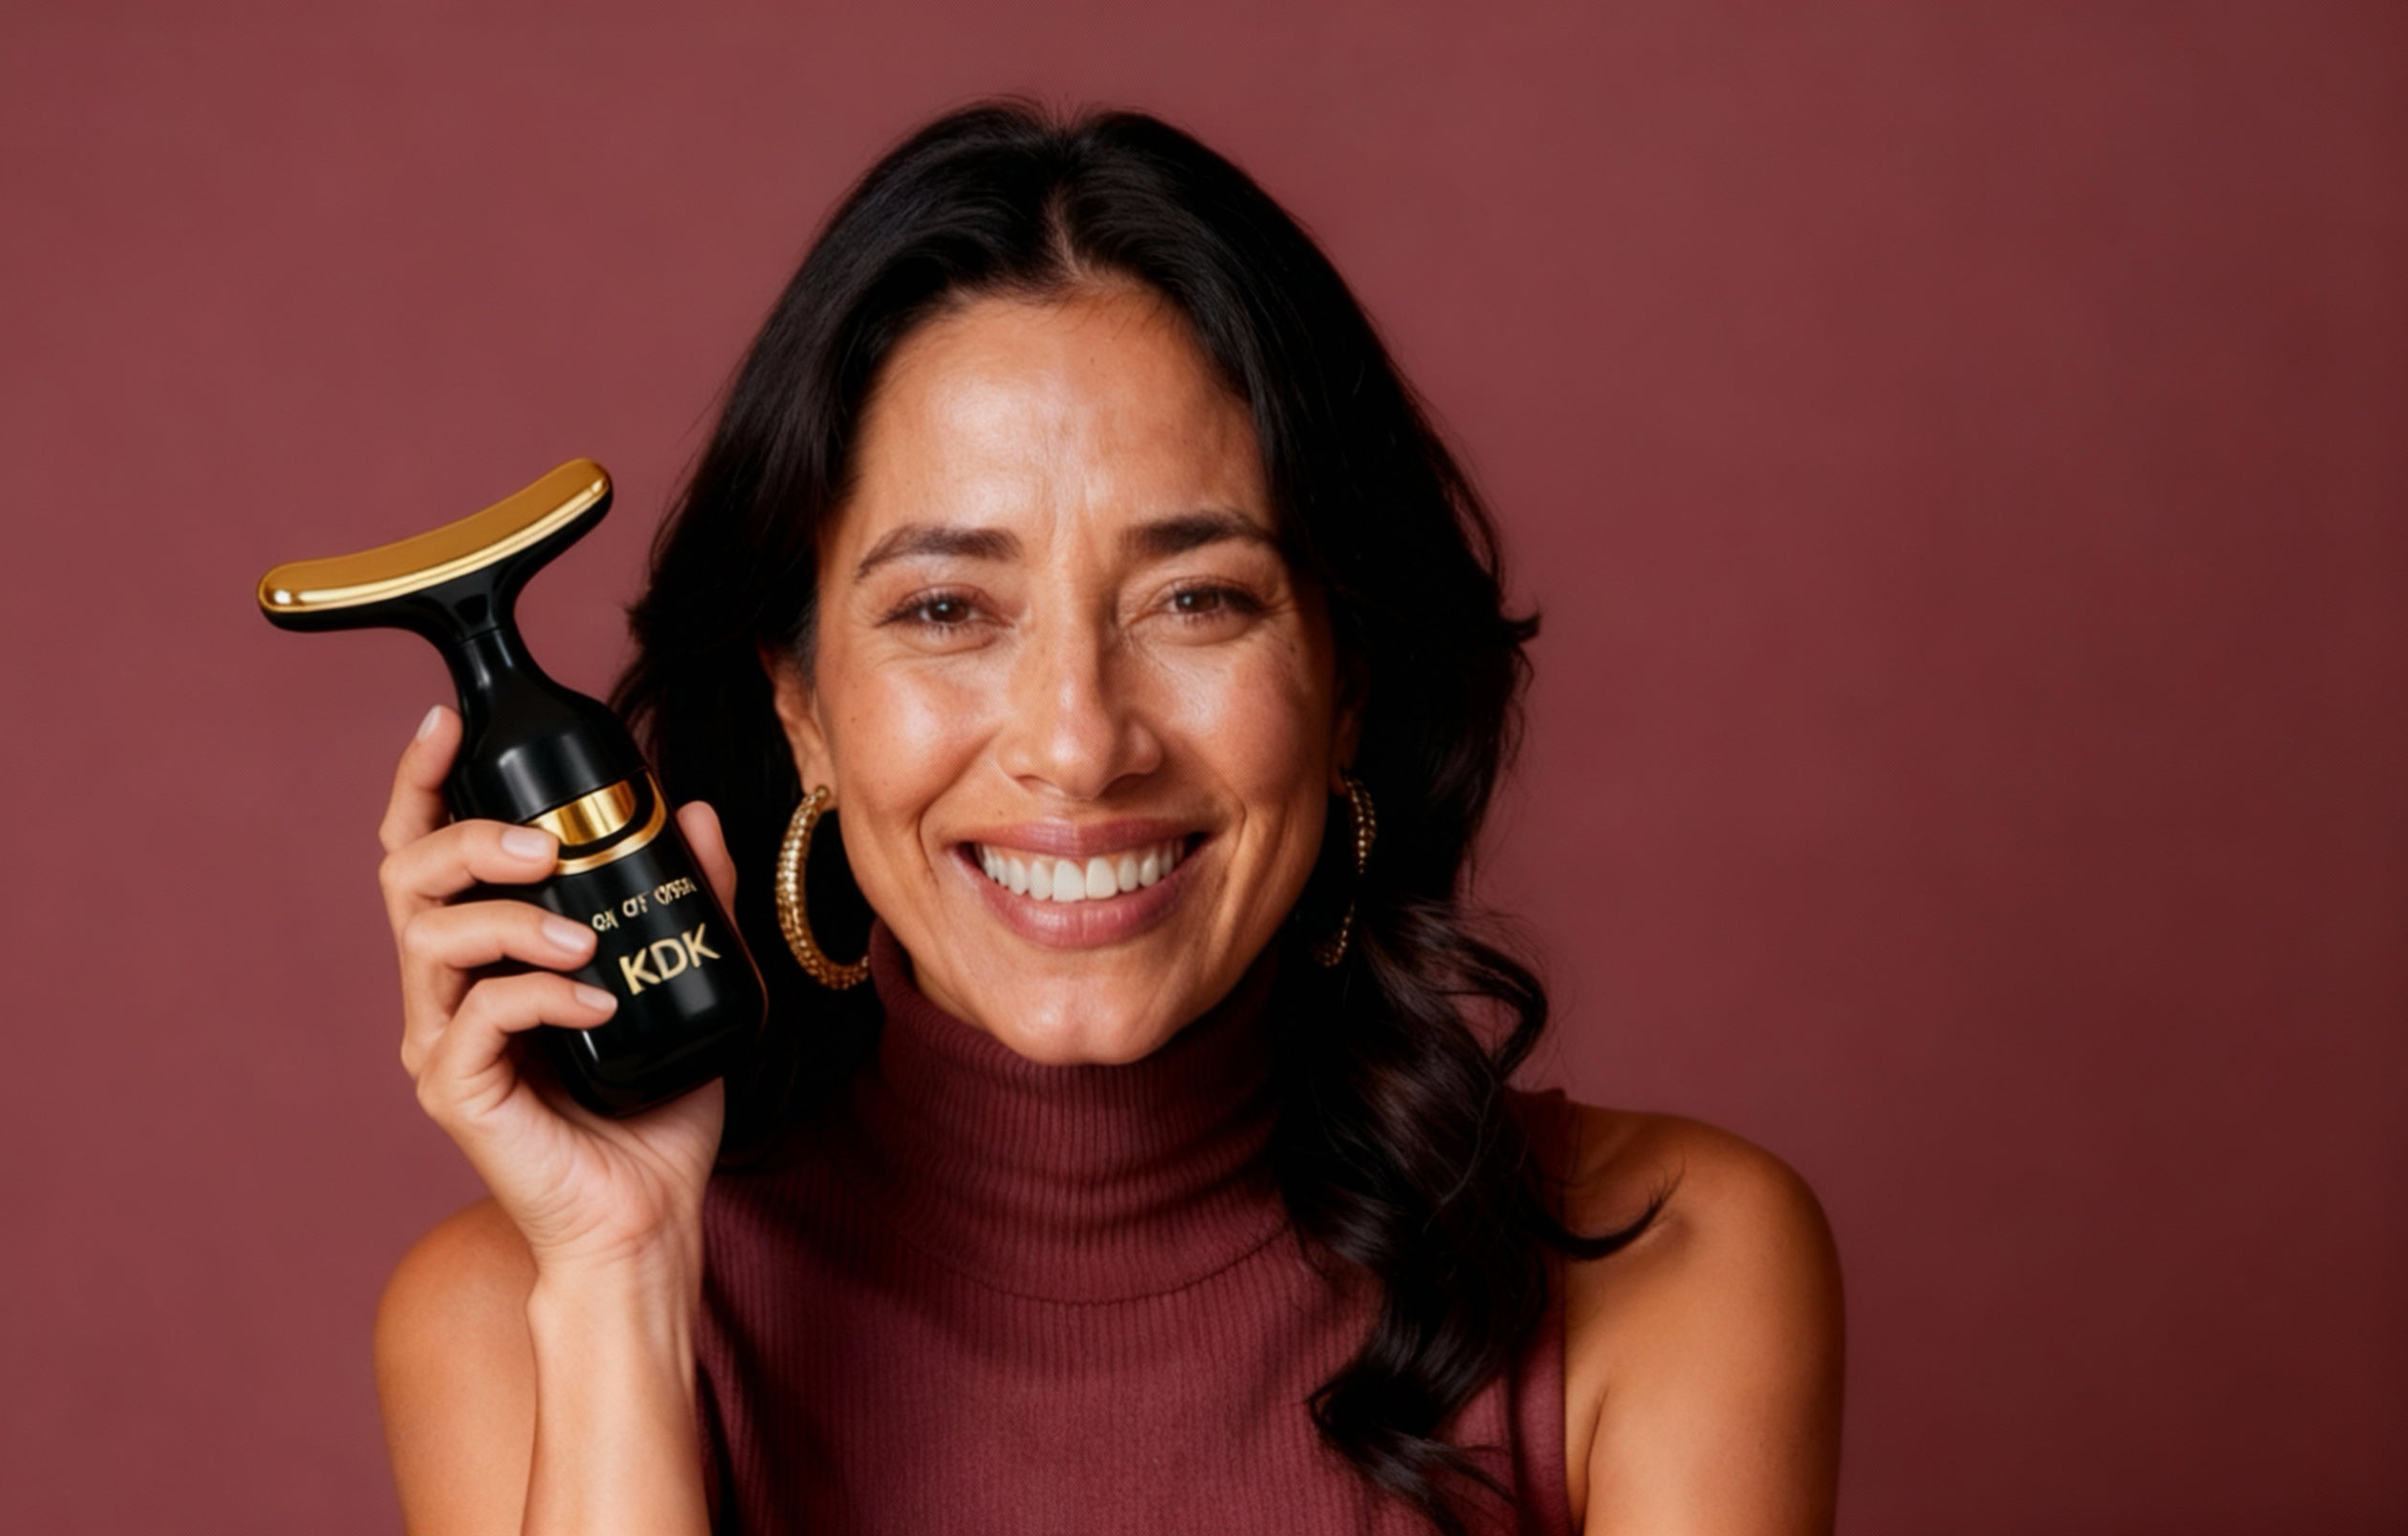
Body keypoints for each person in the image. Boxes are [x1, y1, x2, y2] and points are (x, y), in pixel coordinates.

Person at [368, 101, 1843, 1535]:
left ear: (1345, 682)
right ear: (801, 707)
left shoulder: (1665, 1268)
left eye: (1196, 600)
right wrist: (622, 1275)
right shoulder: (517, 1321)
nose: (1078, 746)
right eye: (947, 610)